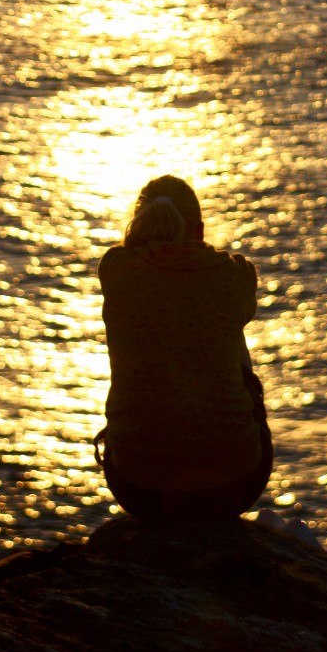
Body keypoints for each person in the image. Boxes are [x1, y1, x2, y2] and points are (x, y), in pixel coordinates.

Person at [94, 175, 273, 522]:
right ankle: (212, 442)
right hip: (234, 483)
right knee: (230, 340)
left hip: (138, 487)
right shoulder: (234, 274)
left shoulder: (115, 269)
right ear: (200, 231)